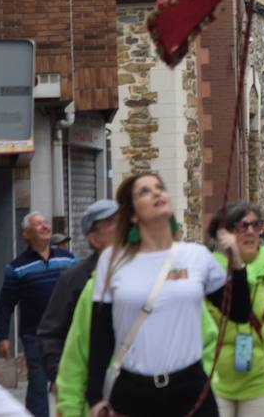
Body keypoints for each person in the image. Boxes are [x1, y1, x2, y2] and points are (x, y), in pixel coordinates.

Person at [85, 172, 252, 417]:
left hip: (190, 389)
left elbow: (239, 313)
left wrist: (236, 263)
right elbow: (100, 336)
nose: (156, 192)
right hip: (133, 393)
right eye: (144, 191)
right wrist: (96, 398)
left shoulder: (196, 256)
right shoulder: (112, 261)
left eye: (160, 187)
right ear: (132, 214)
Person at [0, 211, 75, 417]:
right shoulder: (17, 268)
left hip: (67, 333)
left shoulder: (68, 259)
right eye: (38, 224)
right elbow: (5, 305)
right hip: (34, 336)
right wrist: (3, 337)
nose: (45, 226)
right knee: (38, 386)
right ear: (26, 234)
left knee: (69, 383)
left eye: (45, 223)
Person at [203, 202, 264, 417]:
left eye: (256, 225)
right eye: (242, 226)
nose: (251, 231)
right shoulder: (208, 270)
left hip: (262, 380)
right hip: (215, 379)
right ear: (223, 232)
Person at [36, 199, 117, 386]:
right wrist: (59, 377)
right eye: (111, 223)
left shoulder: (142, 273)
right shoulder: (75, 280)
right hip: (91, 386)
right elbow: (50, 334)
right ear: (94, 238)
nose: (122, 228)